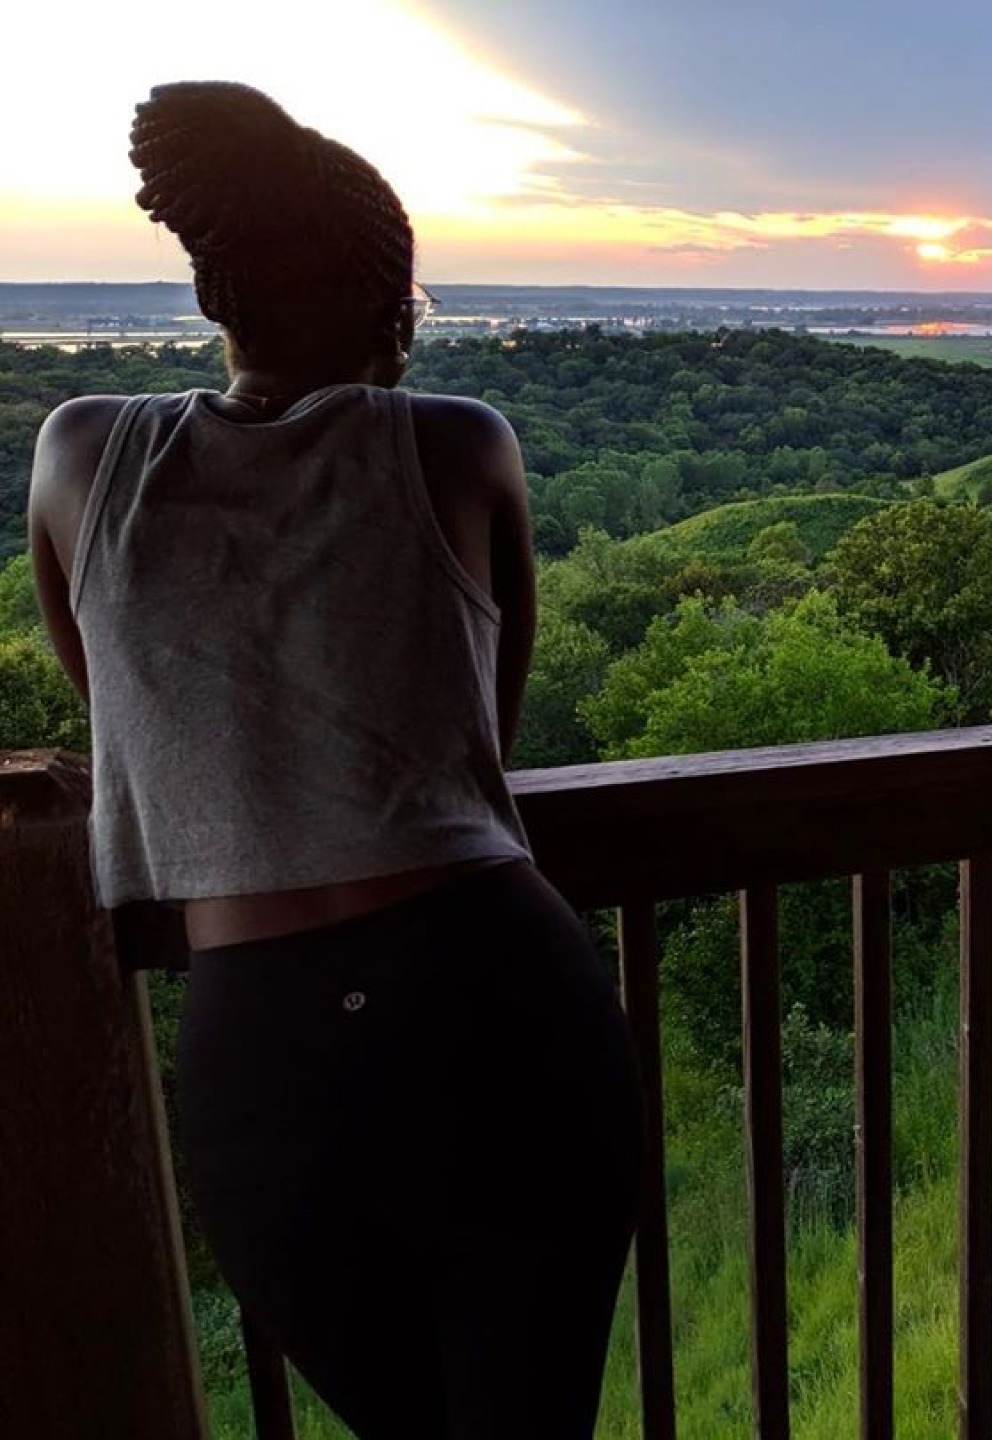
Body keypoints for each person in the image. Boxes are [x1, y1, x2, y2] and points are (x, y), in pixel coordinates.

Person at [26, 82, 642, 1439]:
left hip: (264, 1043)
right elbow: (482, 723)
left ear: (211, 297)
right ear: (392, 307)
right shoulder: (458, 443)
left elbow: (126, 706)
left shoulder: (79, 453)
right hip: (496, 994)